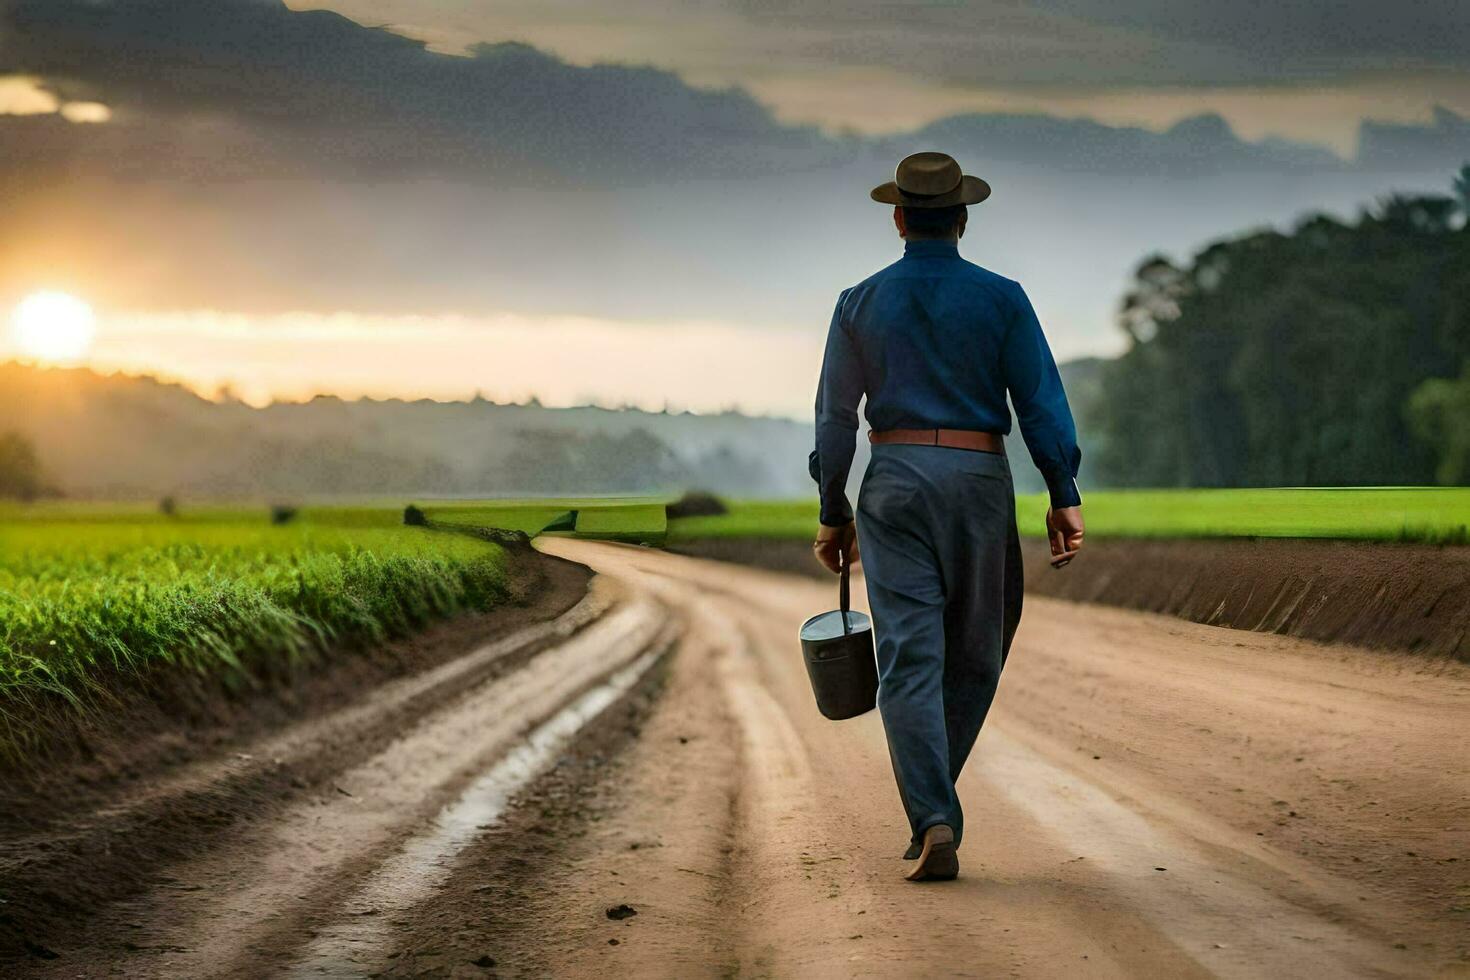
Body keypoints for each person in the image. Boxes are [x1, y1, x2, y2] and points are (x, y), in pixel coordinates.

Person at [809, 151, 1084, 882]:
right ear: (962, 219)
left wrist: (833, 509)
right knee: (977, 653)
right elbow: (1040, 401)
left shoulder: (857, 302)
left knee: (907, 658)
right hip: (979, 479)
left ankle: (932, 814)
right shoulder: (1003, 298)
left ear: (899, 219)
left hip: (893, 481)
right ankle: (933, 808)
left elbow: (835, 418)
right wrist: (1062, 490)